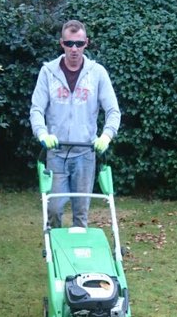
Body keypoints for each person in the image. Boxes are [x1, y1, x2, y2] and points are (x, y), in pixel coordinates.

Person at [30, 19, 121, 228]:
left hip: (85, 153)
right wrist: (43, 134)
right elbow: (36, 109)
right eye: (69, 43)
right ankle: (56, 255)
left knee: (81, 214)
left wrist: (106, 136)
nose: (74, 49)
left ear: (86, 43)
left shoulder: (97, 73)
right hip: (57, 153)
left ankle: (80, 259)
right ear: (62, 43)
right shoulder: (48, 72)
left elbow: (113, 111)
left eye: (79, 44)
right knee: (53, 209)